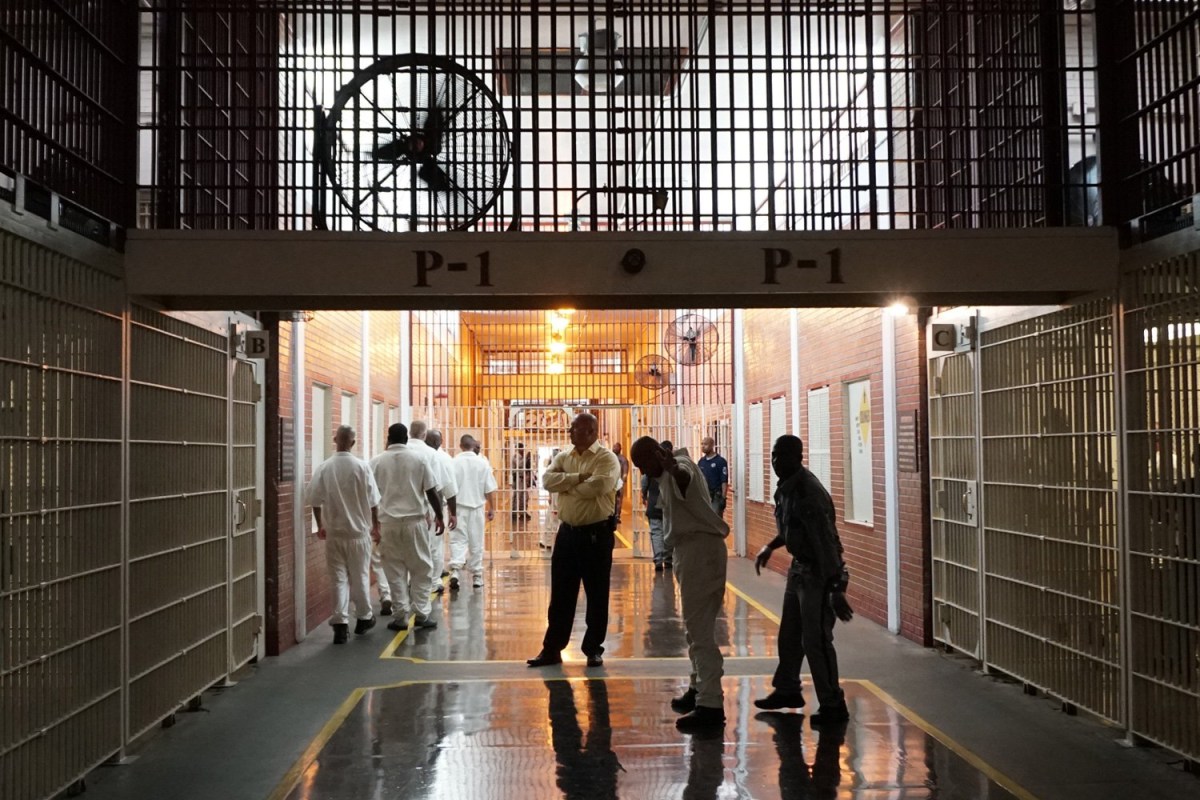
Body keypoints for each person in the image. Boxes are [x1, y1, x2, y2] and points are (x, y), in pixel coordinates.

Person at [631, 436, 730, 730]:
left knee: (701, 633)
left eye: (644, 464)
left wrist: (670, 467)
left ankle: (711, 705)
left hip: (700, 551)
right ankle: (698, 687)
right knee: (694, 627)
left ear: (658, 455)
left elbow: (682, 477)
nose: (643, 472)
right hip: (692, 550)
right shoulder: (671, 470)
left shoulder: (680, 467)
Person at [753, 434, 851, 725]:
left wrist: (835, 587)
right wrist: (770, 547)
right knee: (789, 636)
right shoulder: (787, 488)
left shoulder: (808, 493)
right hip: (799, 571)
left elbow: (827, 543)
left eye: (781, 456)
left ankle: (833, 704)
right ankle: (787, 690)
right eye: (773, 455)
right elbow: (791, 528)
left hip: (818, 574)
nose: (775, 462)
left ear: (797, 458)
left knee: (816, 641)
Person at [526, 412, 620, 668]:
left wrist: (564, 485)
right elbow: (546, 480)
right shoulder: (565, 456)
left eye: (574, 428)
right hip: (567, 534)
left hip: (596, 536)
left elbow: (597, 488)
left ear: (590, 432)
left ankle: (593, 649)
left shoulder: (607, 459)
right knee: (561, 595)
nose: (569, 432)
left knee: (597, 594)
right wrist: (577, 478)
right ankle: (552, 649)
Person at [305, 425, 381, 644]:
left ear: (334, 439)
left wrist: (321, 525)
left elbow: (315, 500)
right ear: (353, 443)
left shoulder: (324, 468)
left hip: (335, 534)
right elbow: (374, 502)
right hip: (358, 533)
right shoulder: (362, 467)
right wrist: (375, 526)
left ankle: (340, 624)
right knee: (360, 577)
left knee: (338, 578)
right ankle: (364, 617)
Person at [370, 423, 445, 631]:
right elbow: (431, 492)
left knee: (394, 572)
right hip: (415, 523)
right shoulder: (419, 459)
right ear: (406, 438)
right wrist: (439, 516)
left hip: (388, 524)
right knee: (421, 568)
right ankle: (421, 614)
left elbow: (371, 499)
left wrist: (374, 525)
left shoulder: (376, 462)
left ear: (388, 438)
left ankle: (400, 617)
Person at [407, 420, 457, 593]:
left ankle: (411, 583)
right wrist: (446, 514)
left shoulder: (400, 451)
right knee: (433, 547)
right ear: (423, 435)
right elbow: (442, 488)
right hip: (427, 508)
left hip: (400, 512)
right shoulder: (434, 455)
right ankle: (433, 582)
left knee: (409, 551)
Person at [450, 434, 497, 590]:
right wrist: (492, 507)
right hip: (477, 508)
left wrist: (450, 510)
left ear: (460, 445)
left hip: (458, 507)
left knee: (458, 539)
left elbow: (449, 487)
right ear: (473, 446)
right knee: (476, 541)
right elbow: (489, 489)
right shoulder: (482, 463)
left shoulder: (453, 462)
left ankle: (455, 571)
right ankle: (477, 576)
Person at [426, 429, 461, 587]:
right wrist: (452, 513)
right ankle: (434, 580)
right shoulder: (444, 458)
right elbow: (450, 488)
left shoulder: (413, 453)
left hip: (415, 508)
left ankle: (415, 581)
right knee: (435, 545)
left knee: (419, 546)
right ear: (439, 442)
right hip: (436, 507)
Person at [698, 437, 729, 518]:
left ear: (712, 445)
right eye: (702, 444)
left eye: (705, 444)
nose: (703, 446)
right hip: (705, 496)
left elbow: (724, 481)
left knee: (716, 519)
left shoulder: (720, 461)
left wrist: (723, 498)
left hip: (716, 496)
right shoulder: (701, 462)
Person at [540, 448, 562, 555]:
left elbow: (547, 484)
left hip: (555, 495)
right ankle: (549, 542)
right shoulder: (559, 468)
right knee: (554, 518)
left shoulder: (552, 468)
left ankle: (548, 541)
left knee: (552, 518)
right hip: (557, 496)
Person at [511, 442, 532, 520]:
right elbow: (519, 465)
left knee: (525, 496)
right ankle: (514, 513)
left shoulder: (522, 456)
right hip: (518, 479)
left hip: (523, 479)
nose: (522, 449)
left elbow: (526, 468)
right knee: (517, 496)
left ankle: (523, 512)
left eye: (523, 448)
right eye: (521, 448)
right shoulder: (516, 456)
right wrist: (526, 458)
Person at [613, 442, 630, 523]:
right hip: (613, 482)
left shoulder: (622, 459)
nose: (614, 448)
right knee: (614, 499)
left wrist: (623, 481)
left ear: (620, 449)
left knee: (618, 499)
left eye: (616, 447)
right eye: (614, 447)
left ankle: (616, 515)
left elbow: (625, 472)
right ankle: (614, 515)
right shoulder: (612, 458)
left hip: (618, 482)